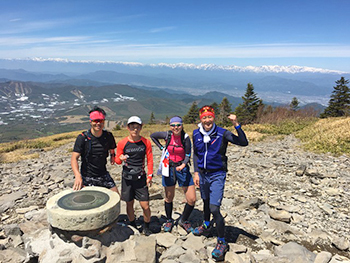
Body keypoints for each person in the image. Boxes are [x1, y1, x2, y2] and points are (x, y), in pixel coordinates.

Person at [192, 105, 248, 262]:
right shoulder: (196, 133)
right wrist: (196, 172)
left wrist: (236, 124)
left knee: (214, 207)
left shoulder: (222, 133)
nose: (207, 120)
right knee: (205, 201)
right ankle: (206, 224)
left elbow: (243, 142)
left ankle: (222, 241)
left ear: (213, 118)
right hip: (202, 174)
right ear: (200, 119)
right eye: (204, 117)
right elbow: (196, 154)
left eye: (210, 117)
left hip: (217, 174)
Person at [150, 116, 196, 233]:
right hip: (169, 168)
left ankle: (183, 220)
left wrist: (184, 164)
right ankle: (169, 220)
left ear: (182, 125)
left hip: (182, 168)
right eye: (173, 125)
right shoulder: (167, 135)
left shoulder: (185, 138)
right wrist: (161, 147)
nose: (176, 127)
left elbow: (188, 155)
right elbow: (153, 136)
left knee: (191, 199)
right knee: (169, 197)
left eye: (178, 125)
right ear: (170, 126)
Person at [115, 116, 153, 236]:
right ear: (128, 128)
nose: (135, 129)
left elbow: (150, 160)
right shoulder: (122, 143)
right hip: (127, 178)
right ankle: (132, 224)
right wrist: (120, 159)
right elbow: (117, 160)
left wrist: (150, 175)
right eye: (132, 127)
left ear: (141, 128)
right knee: (129, 203)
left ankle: (146, 226)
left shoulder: (146, 142)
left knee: (145, 205)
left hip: (140, 177)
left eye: (137, 127)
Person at [71, 106, 119, 194]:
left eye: (101, 121)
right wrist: (78, 176)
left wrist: (112, 155)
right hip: (87, 177)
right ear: (90, 121)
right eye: (95, 121)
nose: (98, 123)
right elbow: (74, 158)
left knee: (116, 197)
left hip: (103, 174)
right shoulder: (83, 138)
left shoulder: (108, 136)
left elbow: (112, 148)